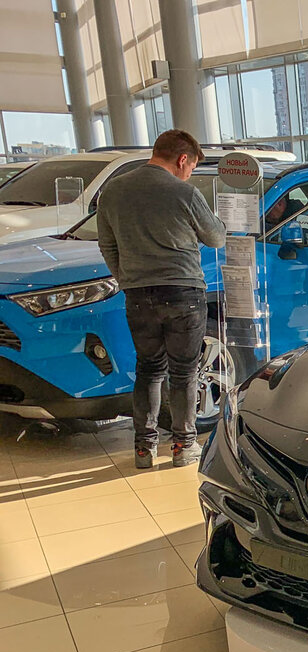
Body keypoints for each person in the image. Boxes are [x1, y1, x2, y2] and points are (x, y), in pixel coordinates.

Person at [97, 129, 225, 469]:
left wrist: (128, 279)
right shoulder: (184, 192)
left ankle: (144, 448)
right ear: (183, 159)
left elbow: (107, 245)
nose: (190, 173)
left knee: (149, 370)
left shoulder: (113, 190)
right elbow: (215, 238)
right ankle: (184, 446)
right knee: (183, 372)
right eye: (192, 167)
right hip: (183, 293)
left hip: (138, 294)